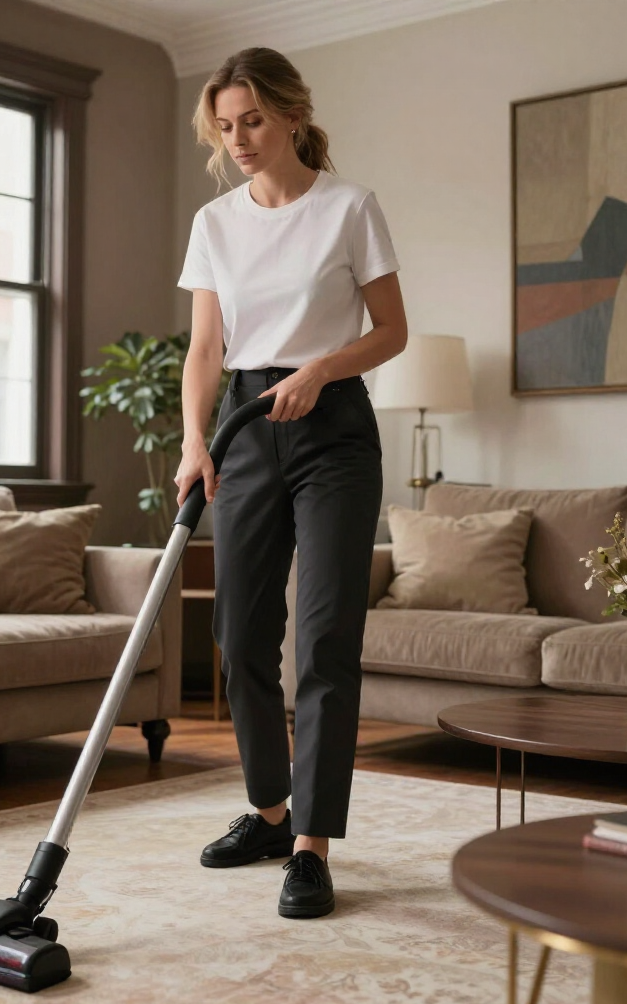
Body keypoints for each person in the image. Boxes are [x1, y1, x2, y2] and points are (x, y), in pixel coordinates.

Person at [174, 47, 408, 919]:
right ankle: (268, 812)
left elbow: (391, 330)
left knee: (324, 638)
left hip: (333, 431)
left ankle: (310, 843)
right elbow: (205, 349)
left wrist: (320, 368)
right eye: (225, 127)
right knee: (239, 635)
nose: (237, 139)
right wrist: (194, 441)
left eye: (253, 122)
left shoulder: (350, 207)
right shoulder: (215, 221)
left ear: (292, 117)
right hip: (240, 427)